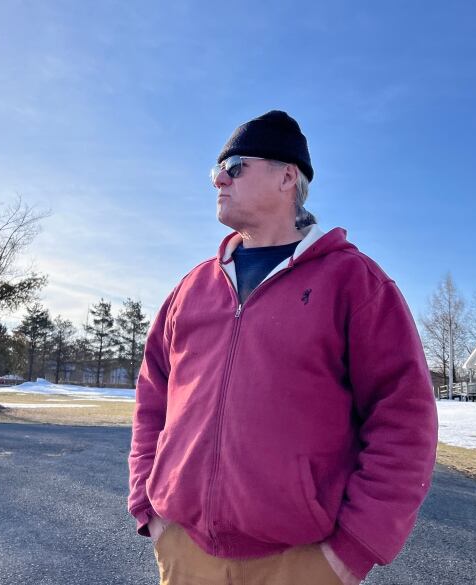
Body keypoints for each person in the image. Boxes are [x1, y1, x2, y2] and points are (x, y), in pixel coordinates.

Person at [128, 110, 438, 585]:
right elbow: (152, 400)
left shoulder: (355, 283)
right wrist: (151, 509)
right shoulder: (191, 289)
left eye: (233, 167)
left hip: (302, 560)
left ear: (287, 176)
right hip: (185, 550)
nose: (218, 181)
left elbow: (404, 417)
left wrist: (350, 551)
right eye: (214, 172)